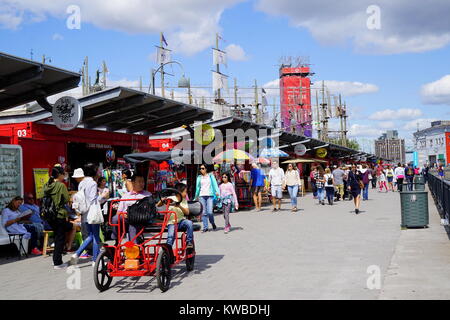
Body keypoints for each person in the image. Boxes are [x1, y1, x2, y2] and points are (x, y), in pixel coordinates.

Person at [70, 164, 102, 267]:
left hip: (84, 213)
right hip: (92, 212)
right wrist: (103, 197)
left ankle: (77, 253)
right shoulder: (93, 183)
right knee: (95, 236)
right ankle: (95, 260)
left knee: (90, 236)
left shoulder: (81, 183)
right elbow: (92, 199)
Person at [43, 166, 73, 269]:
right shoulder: (61, 186)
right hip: (59, 214)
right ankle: (58, 263)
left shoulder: (47, 184)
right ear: (59, 174)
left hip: (49, 215)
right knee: (60, 238)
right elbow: (66, 200)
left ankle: (55, 259)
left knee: (58, 236)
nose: (64, 175)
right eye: (63, 173)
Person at [112, 174, 152, 243]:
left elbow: (151, 210)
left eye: (143, 181)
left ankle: (133, 247)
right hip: (126, 219)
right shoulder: (125, 196)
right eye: (139, 181)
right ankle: (116, 239)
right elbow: (118, 212)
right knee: (115, 218)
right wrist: (123, 215)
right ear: (133, 183)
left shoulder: (148, 195)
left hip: (140, 219)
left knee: (133, 224)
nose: (142, 184)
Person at [158, 183, 193, 248]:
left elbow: (187, 212)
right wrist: (162, 201)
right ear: (179, 192)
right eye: (185, 192)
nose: (186, 194)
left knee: (189, 223)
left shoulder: (184, 201)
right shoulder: (170, 198)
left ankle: (189, 241)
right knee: (170, 236)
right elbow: (158, 205)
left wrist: (179, 206)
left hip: (181, 221)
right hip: (171, 222)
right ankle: (167, 249)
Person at [194, 165, 219, 232]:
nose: (201, 170)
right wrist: (196, 196)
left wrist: (217, 193)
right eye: (200, 169)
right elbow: (198, 188)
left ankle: (212, 222)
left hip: (209, 196)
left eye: (202, 168)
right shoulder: (199, 177)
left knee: (210, 212)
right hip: (201, 196)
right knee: (204, 212)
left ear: (206, 169)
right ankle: (205, 227)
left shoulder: (211, 176)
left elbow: (215, 185)